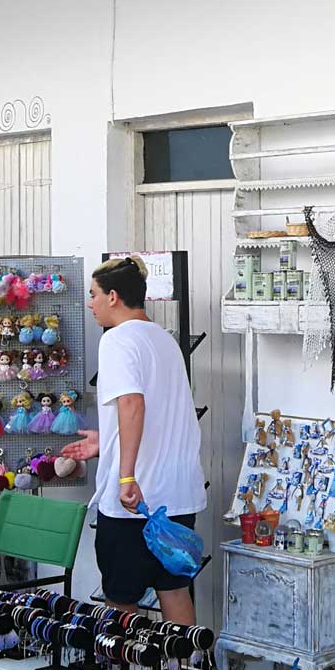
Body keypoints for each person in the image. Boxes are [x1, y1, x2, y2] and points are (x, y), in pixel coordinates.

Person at [59, 255, 206, 623]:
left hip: (135, 500)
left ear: (113, 296)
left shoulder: (117, 340)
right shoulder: (164, 339)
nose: (89, 303)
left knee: (121, 599)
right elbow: (154, 410)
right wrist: (104, 438)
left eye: (93, 295)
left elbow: (131, 403)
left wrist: (125, 476)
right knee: (173, 588)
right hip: (177, 495)